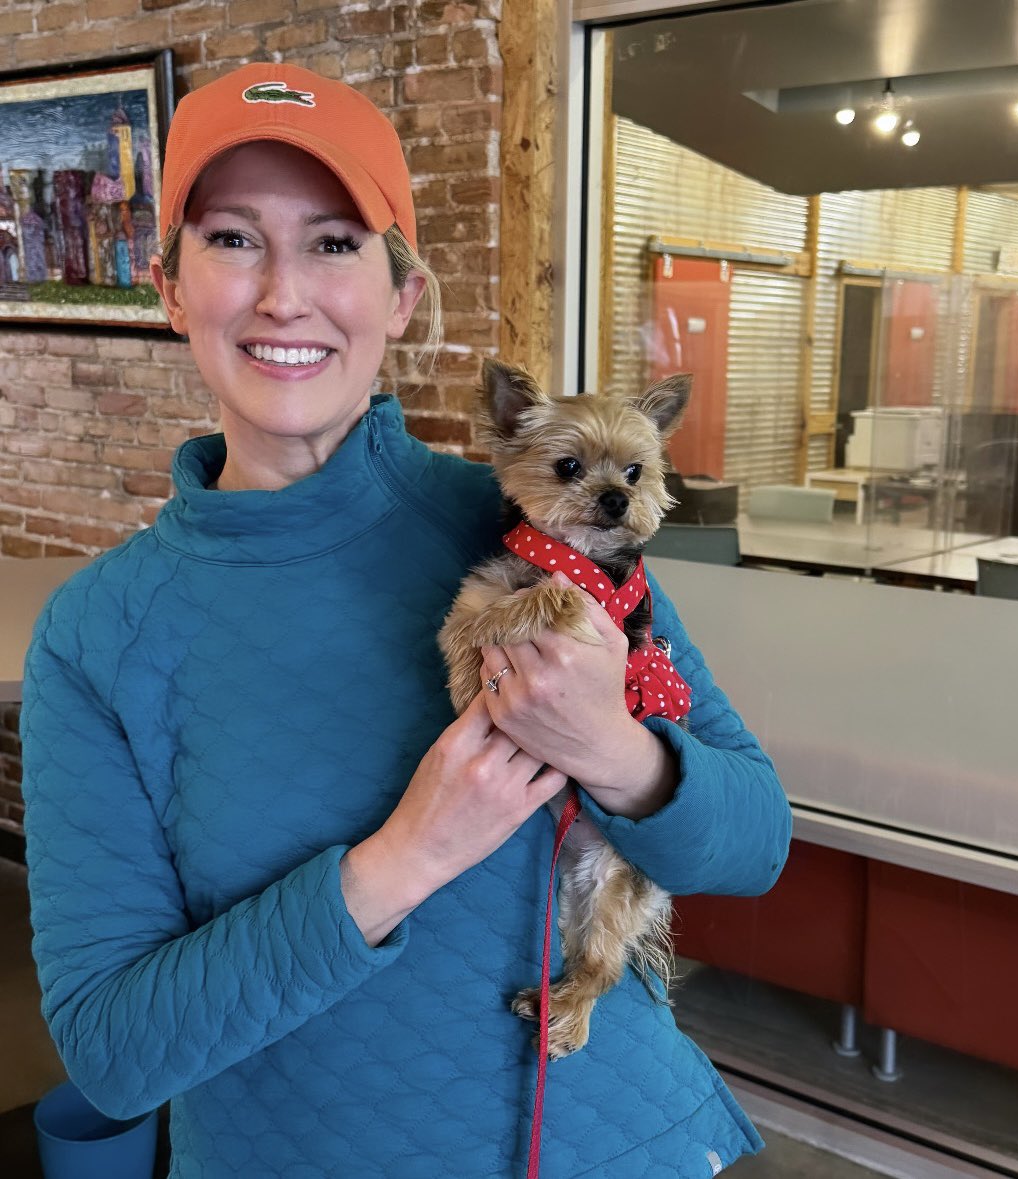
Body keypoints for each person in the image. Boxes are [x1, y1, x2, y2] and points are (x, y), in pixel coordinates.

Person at [20, 61, 791, 1178]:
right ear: (169, 287)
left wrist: (615, 752)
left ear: (402, 297)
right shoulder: (102, 634)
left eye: (335, 243)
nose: (285, 292)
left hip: (619, 1142)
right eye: (233, 239)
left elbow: (756, 839)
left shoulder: (532, 529)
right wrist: (404, 856)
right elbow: (112, 1052)